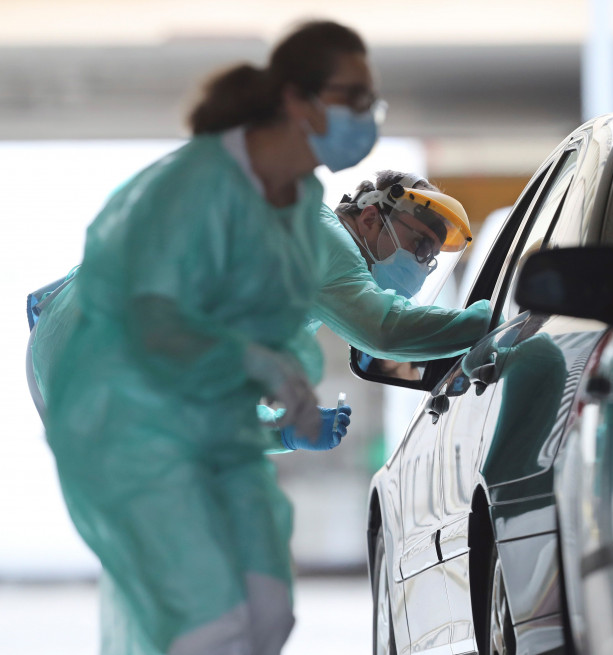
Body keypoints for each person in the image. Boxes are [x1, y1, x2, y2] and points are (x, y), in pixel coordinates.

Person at [39, 20, 382, 655]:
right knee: (208, 616)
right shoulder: (209, 198)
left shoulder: (284, 218)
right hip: (109, 393)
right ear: (294, 102)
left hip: (148, 400)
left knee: (257, 612)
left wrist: (278, 424)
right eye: (352, 97)